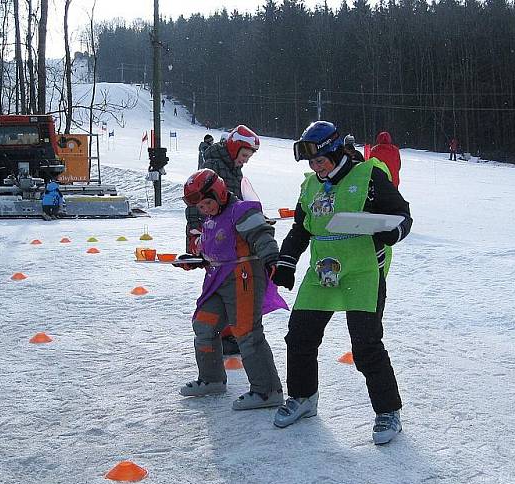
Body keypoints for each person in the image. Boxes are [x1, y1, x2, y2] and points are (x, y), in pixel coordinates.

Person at [269, 121, 412, 445]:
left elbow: (403, 216)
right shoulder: (310, 187)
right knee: (300, 337)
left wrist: (393, 232)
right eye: (312, 163)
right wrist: (287, 262)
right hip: (323, 272)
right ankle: (303, 397)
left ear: (336, 153)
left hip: (362, 271)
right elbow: (301, 229)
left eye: (321, 160)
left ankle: (388, 412)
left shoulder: (369, 177)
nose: (317, 167)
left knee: (366, 346)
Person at [174, 168, 287, 410]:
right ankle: (212, 378)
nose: (205, 210)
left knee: (246, 332)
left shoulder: (241, 211)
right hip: (217, 278)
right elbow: (212, 251)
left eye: (207, 203)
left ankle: (267, 390)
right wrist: (194, 260)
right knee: (204, 325)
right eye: (201, 208)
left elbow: (262, 235)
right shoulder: (210, 221)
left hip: (243, 276)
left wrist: (272, 260)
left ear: (219, 193)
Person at [187, 125, 261, 355]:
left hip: (224, 233)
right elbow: (200, 201)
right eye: (244, 155)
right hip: (211, 232)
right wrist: (196, 232)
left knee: (231, 282)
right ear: (234, 147)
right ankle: (222, 334)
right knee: (221, 281)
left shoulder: (230, 166)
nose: (245, 161)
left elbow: (235, 198)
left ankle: (227, 333)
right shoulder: (215, 165)